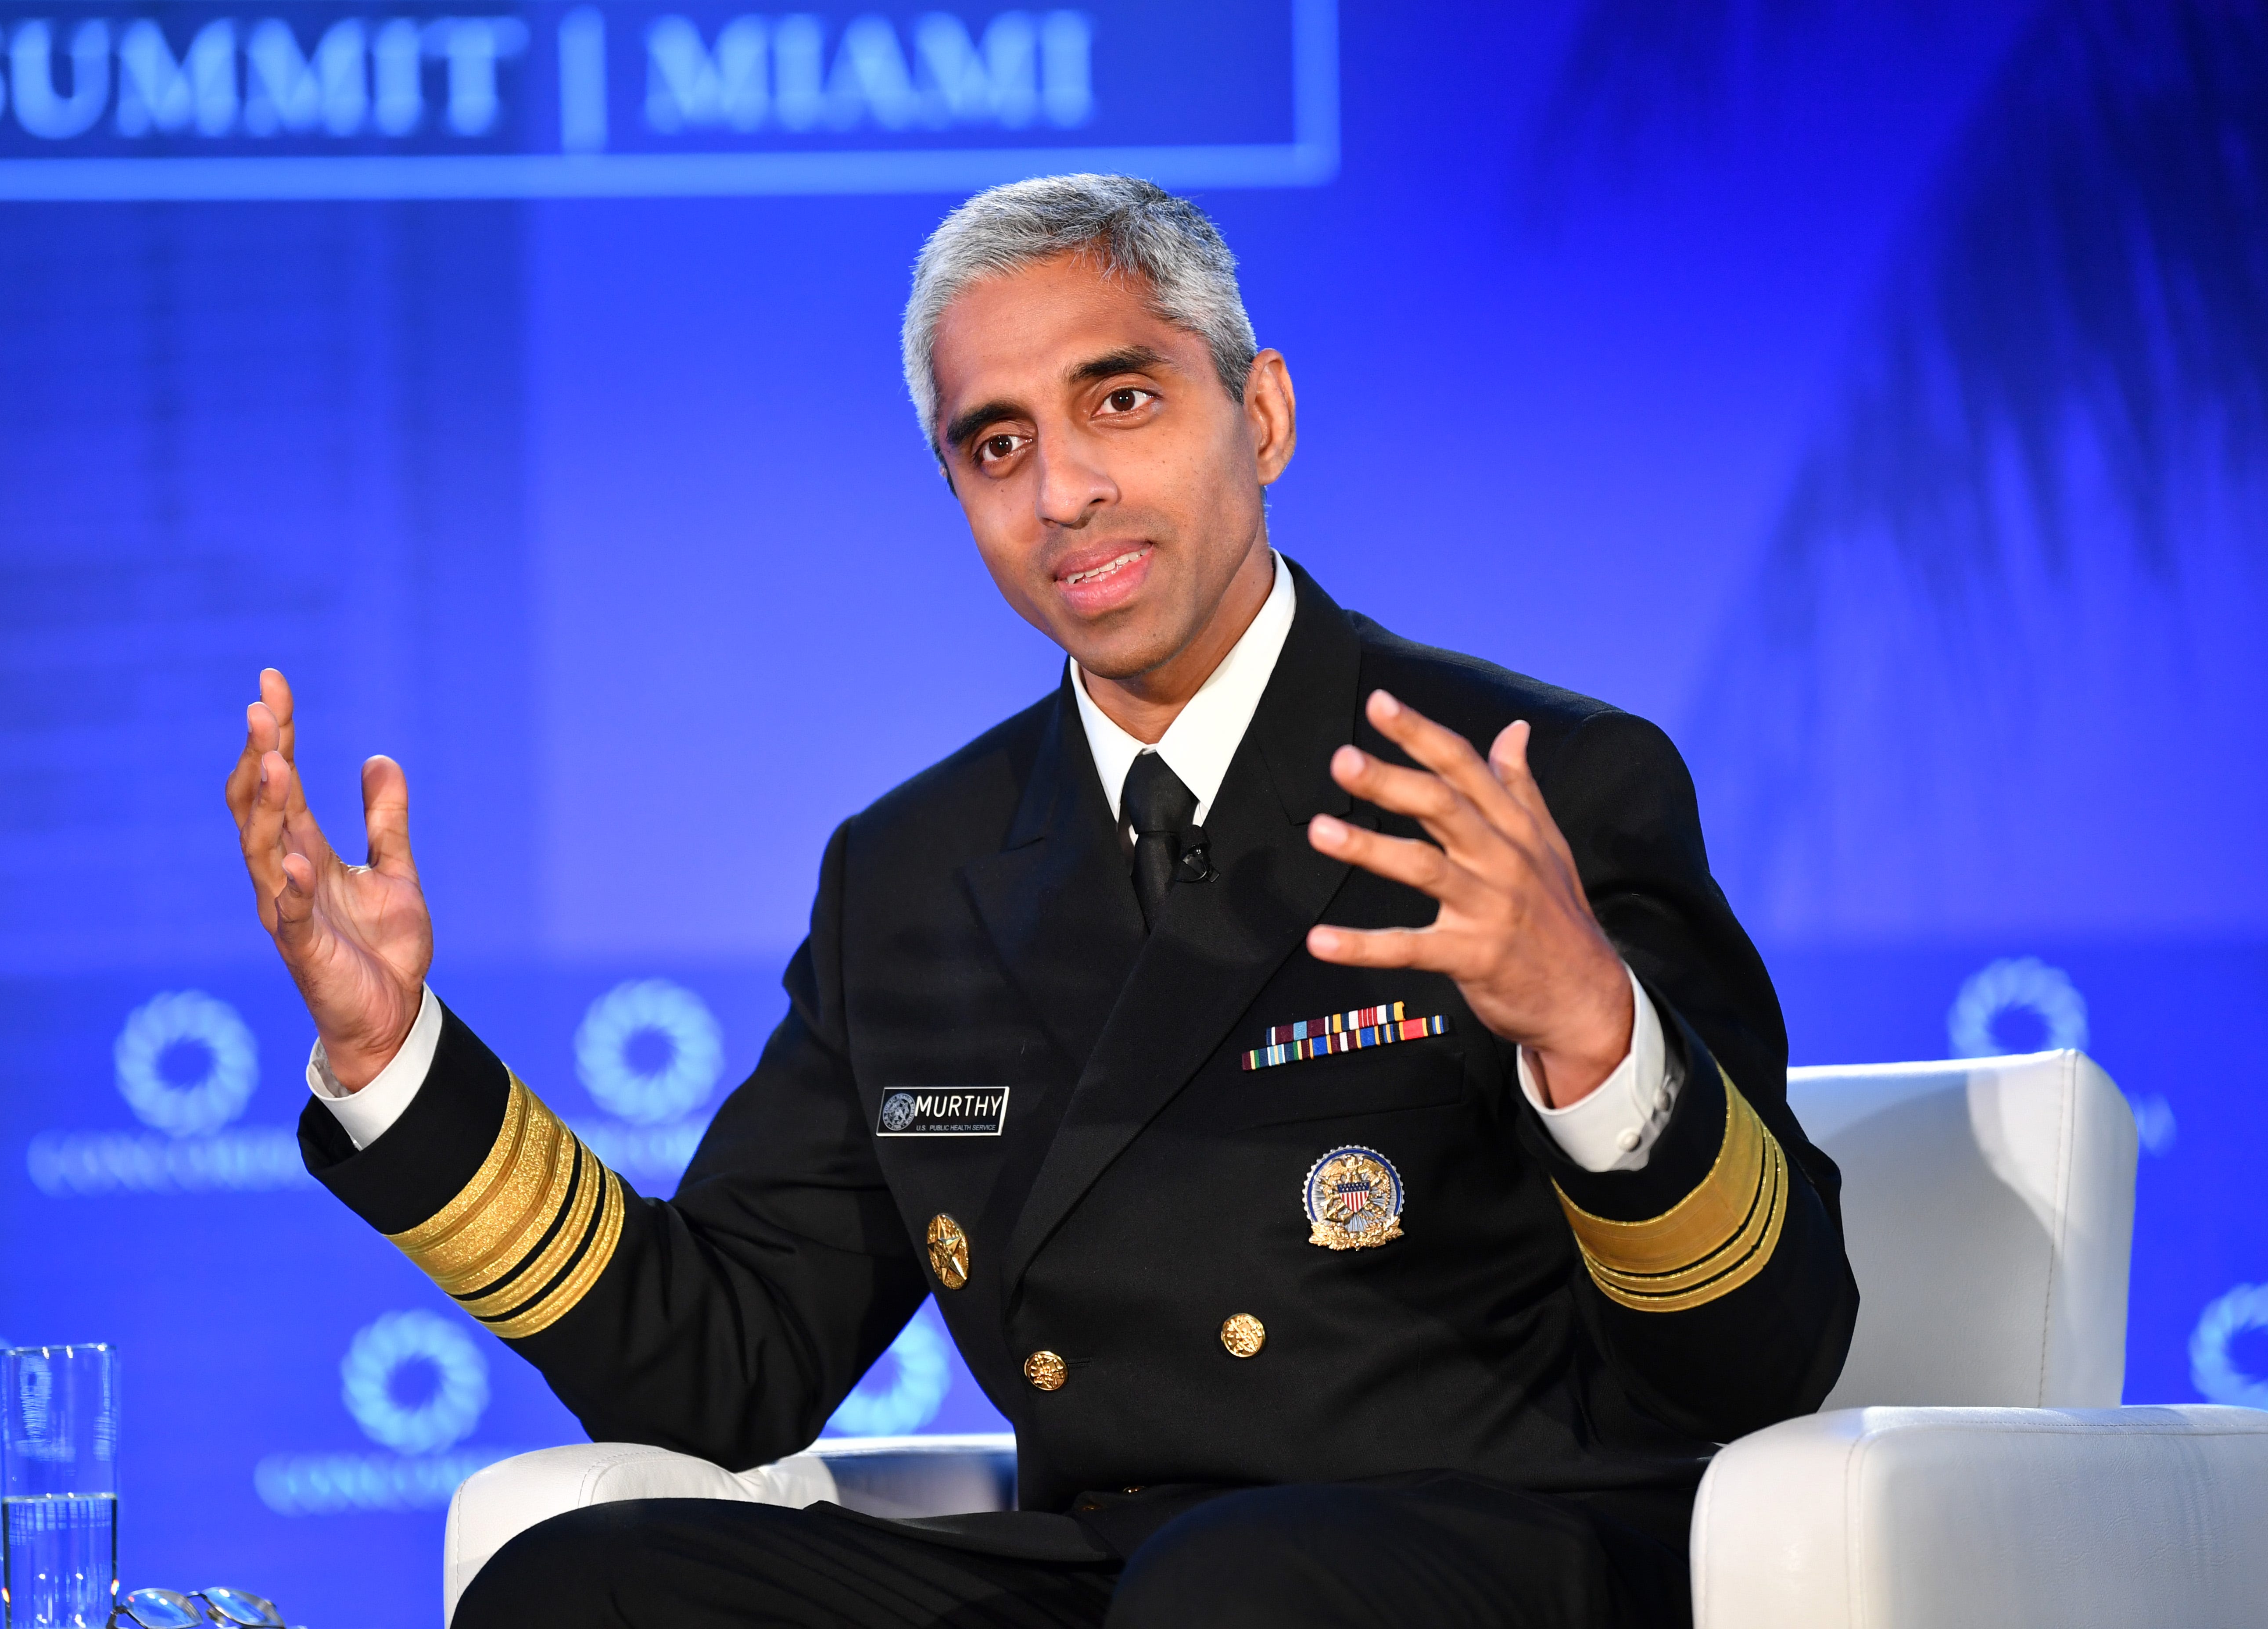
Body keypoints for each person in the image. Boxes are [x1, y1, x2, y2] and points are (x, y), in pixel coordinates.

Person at [226, 175, 1857, 1629]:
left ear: (1264, 415)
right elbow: (724, 1365)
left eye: (1122, 400)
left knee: (1240, 1591)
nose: (1062, 490)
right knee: (579, 1589)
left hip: (1503, 1549)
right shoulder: (913, 869)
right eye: (995, 444)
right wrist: (400, 1064)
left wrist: (1592, 1028)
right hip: (1130, 1571)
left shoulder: (1521, 777)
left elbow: (1755, 1361)